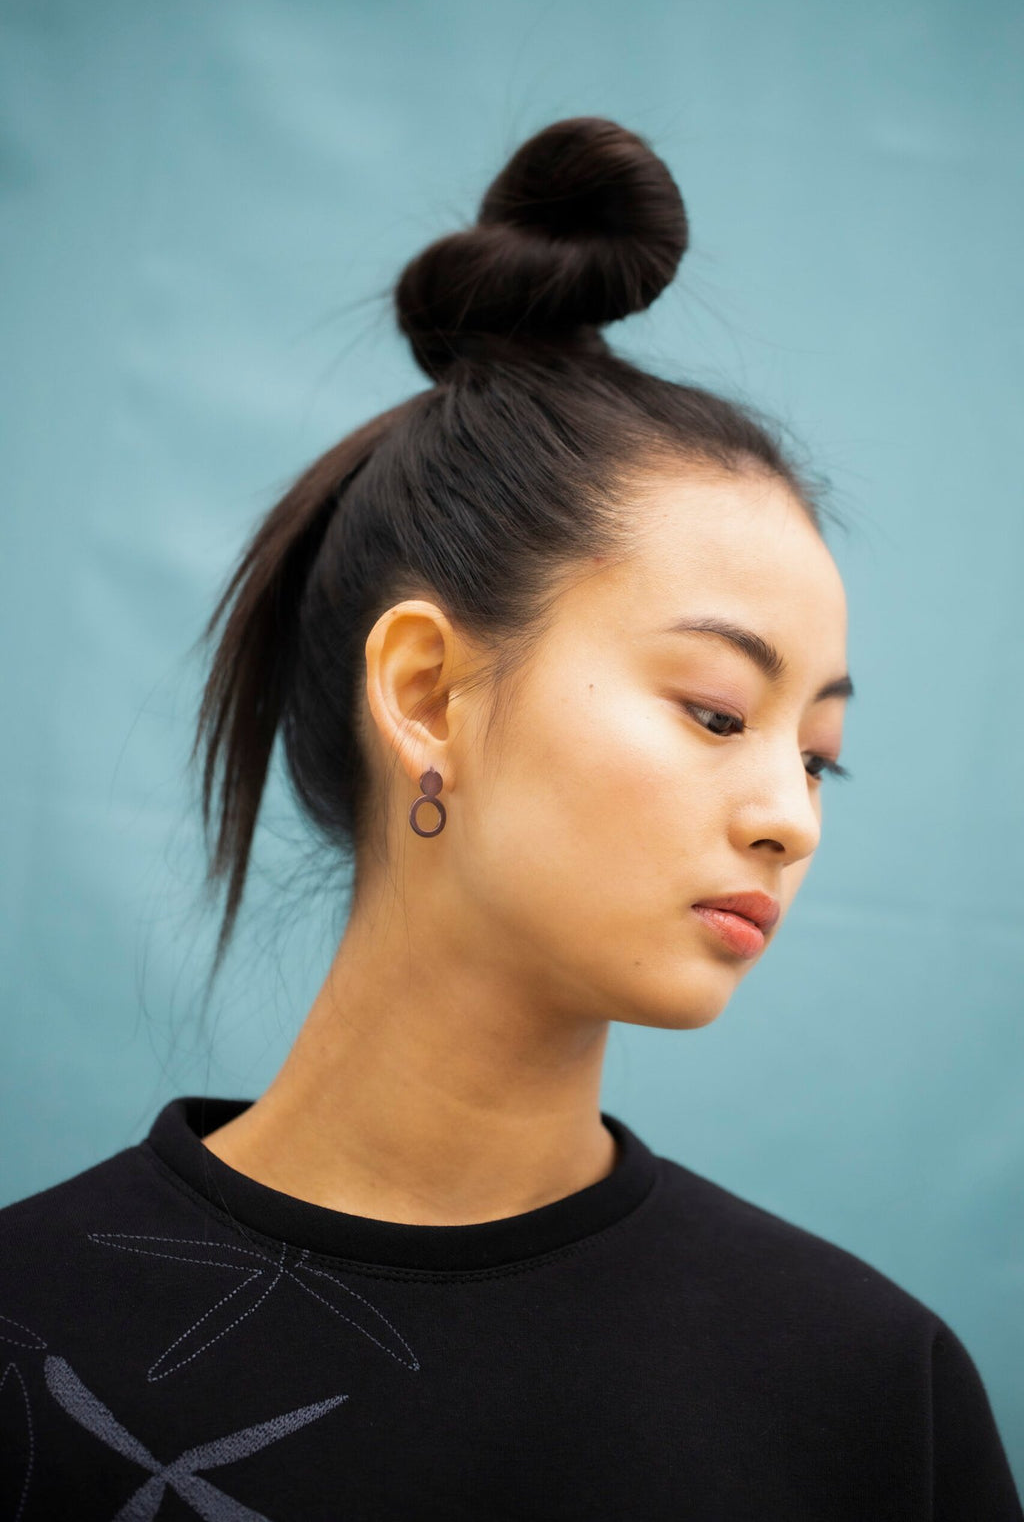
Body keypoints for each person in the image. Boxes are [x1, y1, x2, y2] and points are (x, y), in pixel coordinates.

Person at [1, 115, 1020, 1521]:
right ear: (425, 690)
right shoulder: (28, 1333)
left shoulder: (870, 1395)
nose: (792, 818)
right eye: (720, 713)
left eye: (821, 755)